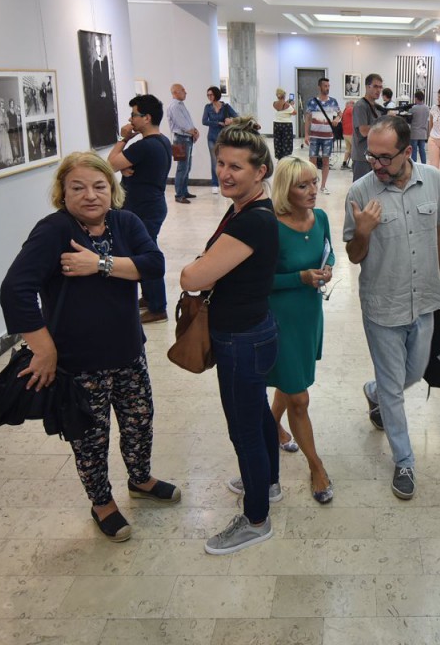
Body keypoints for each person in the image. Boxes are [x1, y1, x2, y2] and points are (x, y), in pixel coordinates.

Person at [0, 152, 178, 542]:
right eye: (78, 187)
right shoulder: (53, 231)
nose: (90, 195)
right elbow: (15, 290)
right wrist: (43, 349)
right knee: (90, 438)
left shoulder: (125, 222)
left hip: (128, 352)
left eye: (99, 186)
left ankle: (140, 479)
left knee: (139, 423)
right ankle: (102, 503)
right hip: (79, 363)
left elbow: (153, 265)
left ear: (112, 190)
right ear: (62, 192)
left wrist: (100, 264)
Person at [179, 118, 281, 555]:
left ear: (260, 171)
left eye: (236, 166)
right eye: (220, 163)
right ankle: (269, 483)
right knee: (257, 414)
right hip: (253, 331)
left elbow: (192, 278)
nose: (224, 173)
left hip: (241, 339)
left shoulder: (252, 221)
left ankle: (256, 519)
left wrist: (196, 265)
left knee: (244, 431)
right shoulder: (243, 208)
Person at [345, 116, 440, 500]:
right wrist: (362, 232)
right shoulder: (360, 191)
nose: (376, 164)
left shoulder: (434, 181)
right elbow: (354, 255)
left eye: (384, 158)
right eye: (371, 156)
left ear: (408, 152)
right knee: (394, 390)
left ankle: (373, 390)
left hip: (423, 299)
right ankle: (404, 460)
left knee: (414, 373)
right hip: (382, 304)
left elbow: (439, 230)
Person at [266, 156, 336, 504]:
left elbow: (328, 252)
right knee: (299, 396)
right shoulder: (271, 226)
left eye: (314, 183)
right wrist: (300, 278)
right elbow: (260, 280)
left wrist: (327, 269)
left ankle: (271, 427)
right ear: (285, 189)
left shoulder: (319, 217)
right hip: (280, 318)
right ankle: (316, 466)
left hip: (309, 315)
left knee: (290, 381)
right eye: (303, 185)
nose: (312, 190)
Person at [108, 95, 173, 324]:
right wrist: (125, 168)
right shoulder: (162, 141)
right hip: (151, 205)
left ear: (147, 118)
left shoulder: (144, 146)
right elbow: (123, 166)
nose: (130, 120)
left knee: (146, 256)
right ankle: (150, 297)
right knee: (142, 252)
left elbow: (110, 164)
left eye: (134, 115)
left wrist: (123, 138)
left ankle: (158, 307)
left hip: (144, 208)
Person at [303, 77, 341, 195]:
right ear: (319, 87)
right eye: (325, 86)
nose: (327, 88)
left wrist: (337, 119)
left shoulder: (333, 101)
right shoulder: (312, 102)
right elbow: (308, 119)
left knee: (326, 161)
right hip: (314, 136)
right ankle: (312, 184)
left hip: (328, 137)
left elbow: (340, 114)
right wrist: (306, 134)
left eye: (328, 86)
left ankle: (323, 186)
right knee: (312, 162)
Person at [165, 84, 200, 204]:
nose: (186, 92)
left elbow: (188, 122)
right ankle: (179, 195)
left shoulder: (180, 104)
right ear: (175, 92)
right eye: (183, 90)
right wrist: (194, 132)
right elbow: (182, 124)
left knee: (187, 167)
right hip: (180, 139)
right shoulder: (175, 106)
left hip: (185, 138)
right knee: (182, 168)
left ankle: (184, 192)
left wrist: (194, 131)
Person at [203, 85, 238, 195]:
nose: (209, 97)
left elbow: (237, 116)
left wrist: (230, 120)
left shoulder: (225, 107)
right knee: (214, 161)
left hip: (224, 138)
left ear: (216, 95)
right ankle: (215, 184)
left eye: (211, 95)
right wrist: (217, 123)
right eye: (208, 95)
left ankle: (226, 181)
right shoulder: (208, 107)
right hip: (212, 138)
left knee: (226, 161)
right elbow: (204, 121)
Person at [351, 73, 385, 181]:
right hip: (362, 157)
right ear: (367, 87)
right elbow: (364, 131)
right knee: (360, 188)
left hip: (373, 156)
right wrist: (383, 123)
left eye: (380, 87)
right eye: (375, 86)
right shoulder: (360, 106)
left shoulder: (376, 107)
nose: (378, 90)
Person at [271, 88, 296, 162]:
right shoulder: (287, 105)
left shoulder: (274, 104)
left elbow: (280, 110)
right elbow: (294, 112)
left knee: (278, 141)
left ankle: (279, 158)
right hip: (286, 124)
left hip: (276, 124)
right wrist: (291, 105)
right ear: (284, 95)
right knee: (287, 142)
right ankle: (286, 159)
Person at [408, 89, 430, 163]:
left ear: (416, 98)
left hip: (414, 133)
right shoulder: (427, 108)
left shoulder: (414, 108)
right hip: (423, 133)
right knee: (422, 150)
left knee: (414, 151)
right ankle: (424, 165)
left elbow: (408, 116)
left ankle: (414, 165)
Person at [340, 101, 354, 169]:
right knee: (355, 149)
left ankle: (344, 163)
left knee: (348, 149)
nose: (354, 105)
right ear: (349, 104)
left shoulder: (345, 111)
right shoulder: (350, 109)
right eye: (353, 103)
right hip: (351, 132)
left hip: (345, 133)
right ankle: (354, 164)